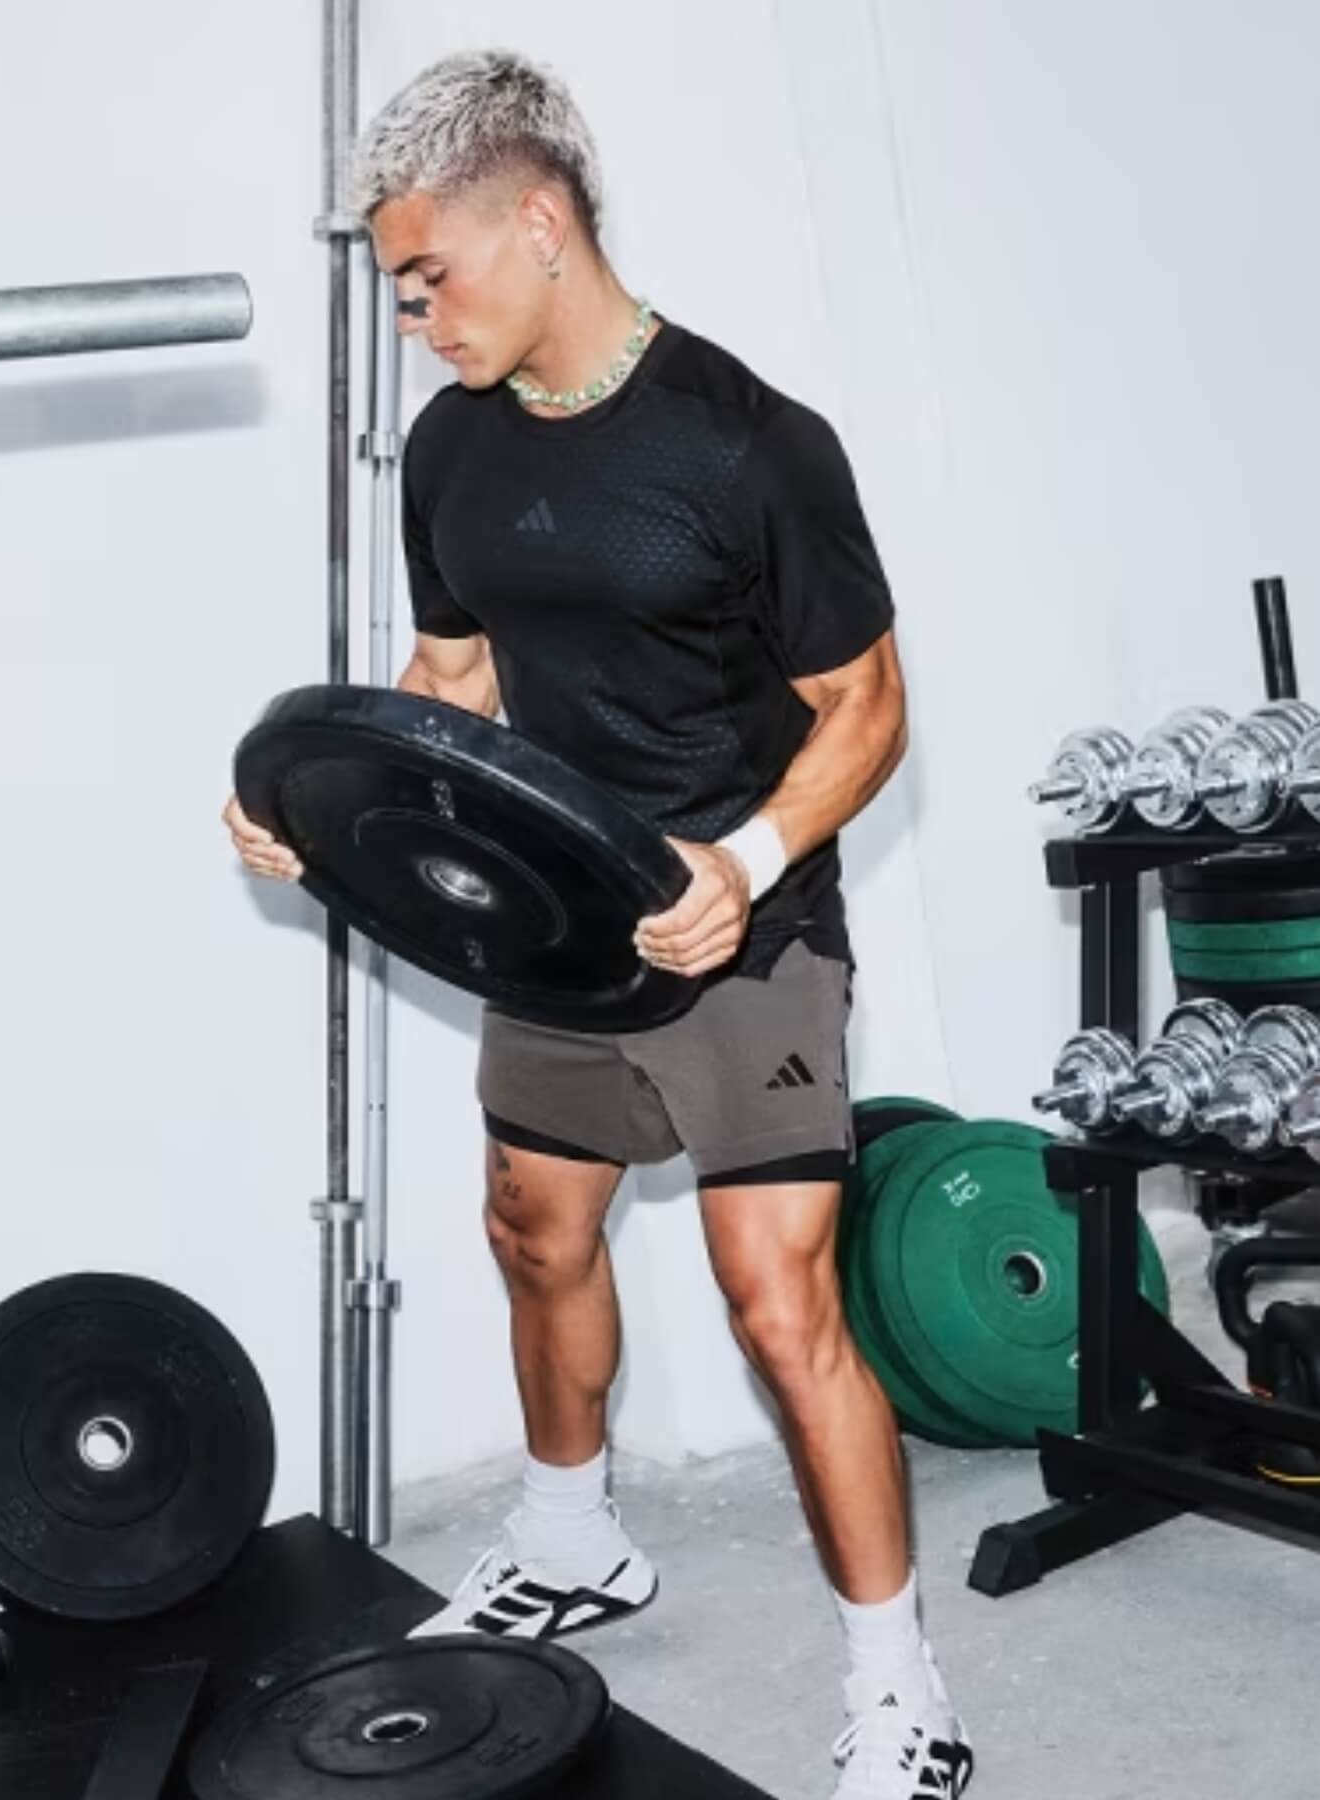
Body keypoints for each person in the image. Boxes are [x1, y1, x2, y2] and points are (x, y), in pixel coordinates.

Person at [224, 48, 973, 1800]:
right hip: (561, 922)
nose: (414, 318)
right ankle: (575, 1539)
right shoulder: (448, 450)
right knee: (533, 1228)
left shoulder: (748, 444)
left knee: (774, 1302)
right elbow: (451, 683)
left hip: (745, 929)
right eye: (399, 288)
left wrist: (746, 857)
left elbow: (866, 704)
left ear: (541, 224)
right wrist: (319, 816)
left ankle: (902, 1690)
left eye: (429, 277)